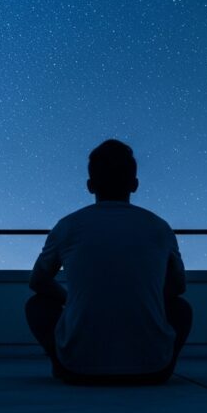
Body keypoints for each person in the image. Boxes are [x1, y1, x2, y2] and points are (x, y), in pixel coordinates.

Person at [25, 139, 192, 385]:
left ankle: (62, 365)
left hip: (77, 370)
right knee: (181, 308)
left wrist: (70, 300)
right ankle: (160, 363)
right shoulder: (159, 227)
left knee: (37, 305)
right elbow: (178, 287)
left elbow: (38, 282)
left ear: (90, 185)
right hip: (152, 370)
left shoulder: (68, 226)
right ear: (134, 184)